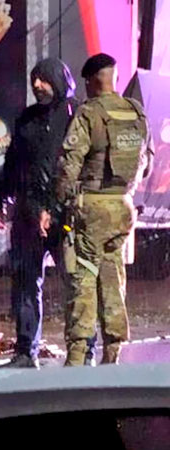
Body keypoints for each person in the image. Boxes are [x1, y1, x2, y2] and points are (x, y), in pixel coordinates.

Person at [0, 57, 93, 368]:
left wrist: (54, 207)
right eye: (34, 79)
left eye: (43, 79)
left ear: (59, 81)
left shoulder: (78, 116)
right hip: (26, 216)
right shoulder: (27, 119)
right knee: (24, 281)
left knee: (76, 283)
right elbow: (13, 166)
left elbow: (74, 169)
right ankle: (25, 351)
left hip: (65, 218)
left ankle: (84, 350)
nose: (37, 85)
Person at [54, 53, 153, 366]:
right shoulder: (135, 111)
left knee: (83, 278)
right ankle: (113, 353)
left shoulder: (88, 113)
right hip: (123, 206)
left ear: (90, 80)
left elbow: (69, 163)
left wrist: (64, 201)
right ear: (115, 76)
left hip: (92, 207)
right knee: (114, 279)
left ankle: (77, 356)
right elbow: (145, 163)